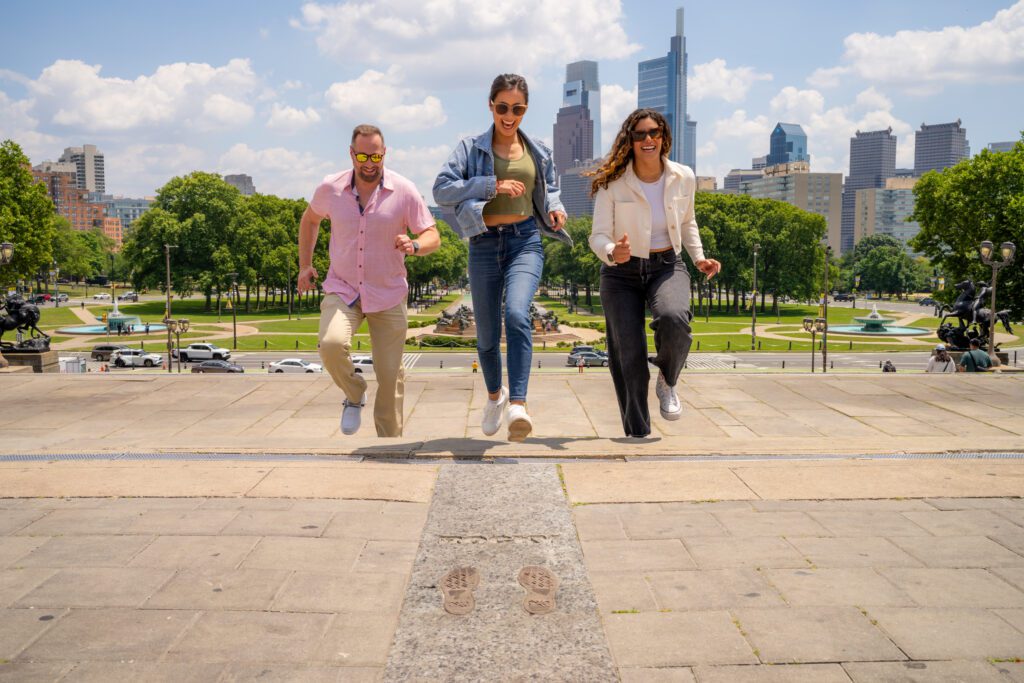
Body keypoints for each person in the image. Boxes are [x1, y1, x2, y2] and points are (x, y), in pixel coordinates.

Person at [433, 73, 570, 442]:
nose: (510, 115)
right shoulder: (469, 147)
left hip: (524, 241)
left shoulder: (537, 149)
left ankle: (519, 405)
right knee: (488, 334)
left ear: (526, 110)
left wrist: (556, 209)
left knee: (517, 314)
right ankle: (495, 396)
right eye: (503, 107)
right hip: (483, 243)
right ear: (491, 105)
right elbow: (442, 190)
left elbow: (550, 189)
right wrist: (492, 185)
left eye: (518, 109)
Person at [299, 124, 440, 437]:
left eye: (375, 155)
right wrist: (305, 265)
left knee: (390, 377)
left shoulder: (404, 190)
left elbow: (432, 235)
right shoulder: (330, 188)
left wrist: (415, 245)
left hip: (387, 293)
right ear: (351, 153)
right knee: (332, 345)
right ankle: (354, 393)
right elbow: (310, 220)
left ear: (384, 153)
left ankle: (389, 445)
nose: (368, 162)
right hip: (343, 288)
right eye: (362, 155)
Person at [587, 108, 721, 438]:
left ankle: (668, 379)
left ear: (664, 137)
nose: (648, 139)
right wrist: (610, 251)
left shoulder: (683, 176)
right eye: (640, 134)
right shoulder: (612, 182)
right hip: (621, 273)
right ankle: (637, 433)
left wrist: (699, 257)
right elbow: (598, 234)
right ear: (629, 141)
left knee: (676, 318)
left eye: (654, 133)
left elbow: (687, 221)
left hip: (667, 264)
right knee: (627, 355)